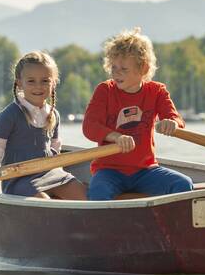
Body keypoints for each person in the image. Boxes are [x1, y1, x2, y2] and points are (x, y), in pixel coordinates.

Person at [82, 27, 193, 200]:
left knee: (183, 184)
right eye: (113, 67)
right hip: (109, 170)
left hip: (145, 171)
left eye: (123, 69)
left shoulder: (157, 91)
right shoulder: (105, 90)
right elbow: (89, 127)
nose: (116, 73)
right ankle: (103, 227)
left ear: (143, 68)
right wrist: (116, 137)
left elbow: (175, 118)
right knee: (98, 192)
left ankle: (169, 226)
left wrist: (171, 122)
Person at [0, 51, 87, 201]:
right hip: (20, 179)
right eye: (31, 81)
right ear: (19, 82)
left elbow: (55, 151)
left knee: (87, 196)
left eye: (45, 81)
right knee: (44, 202)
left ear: (54, 82)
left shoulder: (54, 115)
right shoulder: (9, 115)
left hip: (52, 174)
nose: (38, 86)